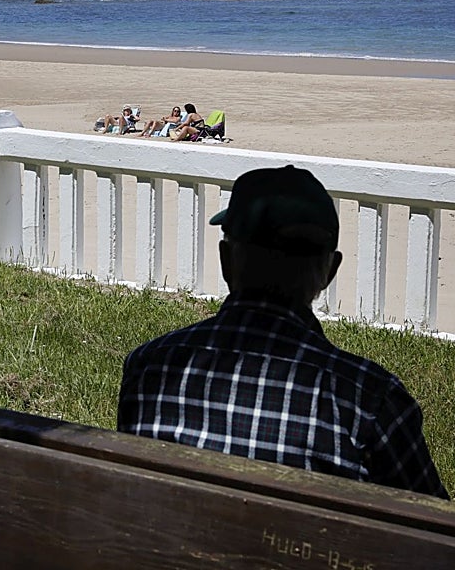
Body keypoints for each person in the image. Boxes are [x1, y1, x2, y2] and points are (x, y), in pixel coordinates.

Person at [117, 165, 449, 499]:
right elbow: (434, 535)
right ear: (329, 272)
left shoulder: (150, 368)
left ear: (225, 261)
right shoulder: (371, 399)